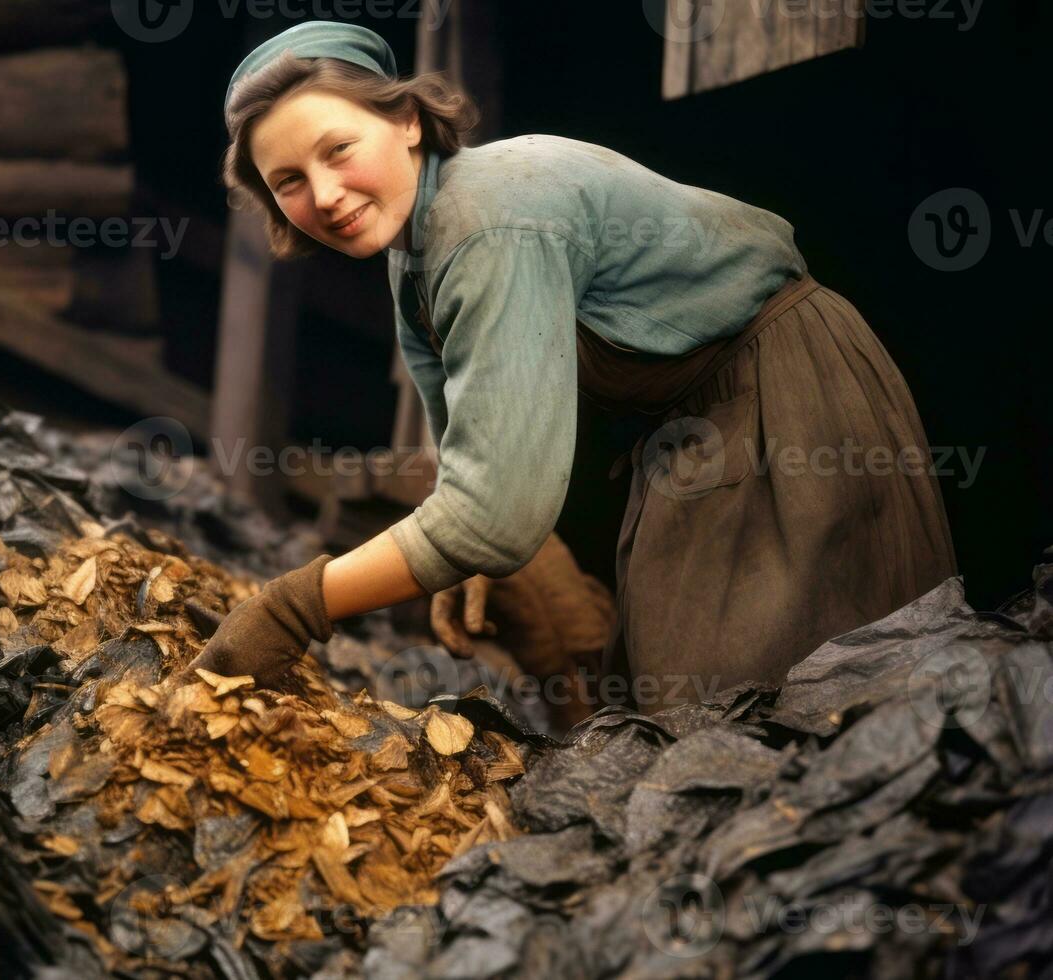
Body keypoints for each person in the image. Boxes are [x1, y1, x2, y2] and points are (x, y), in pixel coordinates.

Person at [186, 21, 957, 715]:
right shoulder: (411, 256)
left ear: (408, 120)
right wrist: (459, 560)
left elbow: (494, 516)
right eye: (287, 181)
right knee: (684, 706)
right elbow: (464, 450)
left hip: (793, 402)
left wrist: (292, 608)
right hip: (694, 433)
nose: (323, 194)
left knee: (792, 709)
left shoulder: (484, 216)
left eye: (337, 150)